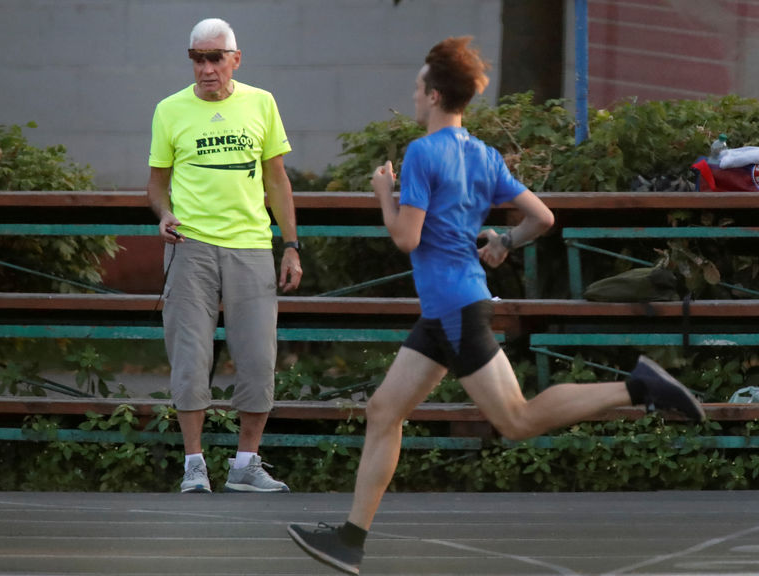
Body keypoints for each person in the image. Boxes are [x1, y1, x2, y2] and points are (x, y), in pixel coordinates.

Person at [287, 36, 704, 574]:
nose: (414, 97)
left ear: (435, 95)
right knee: (383, 411)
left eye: (417, 88)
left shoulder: (422, 154)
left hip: (456, 309)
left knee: (517, 419)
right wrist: (504, 243)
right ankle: (350, 538)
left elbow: (407, 238)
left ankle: (638, 386)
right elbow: (542, 218)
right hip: (447, 310)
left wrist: (383, 194)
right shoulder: (482, 155)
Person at [147, 17, 302, 494]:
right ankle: (194, 465)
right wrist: (164, 213)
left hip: (252, 245)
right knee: (190, 356)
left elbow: (277, 179)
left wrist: (291, 245)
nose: (207, 68)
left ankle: (245, 464)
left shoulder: (261, 102)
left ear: (236, 59)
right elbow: (156, 184)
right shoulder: (169, 110)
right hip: (190, 247)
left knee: (258, 357)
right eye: (198, 59)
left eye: (216, 58)